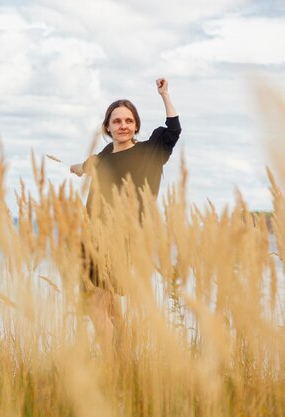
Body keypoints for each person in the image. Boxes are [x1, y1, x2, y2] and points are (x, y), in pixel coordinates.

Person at [70, 78, 181, 354]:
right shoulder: (106, 153)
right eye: (117, 121)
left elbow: (173, 130)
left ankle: (110, 369)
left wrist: (164, 94)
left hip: (120, 238)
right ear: (107, 127)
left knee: (95, 305)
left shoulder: (149, 151)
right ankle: (123, 359)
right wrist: (78, 168)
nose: (123, 126)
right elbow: (89, 165)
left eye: (128, 121)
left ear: (136, 126)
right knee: (106, 303)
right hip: (92, 235)